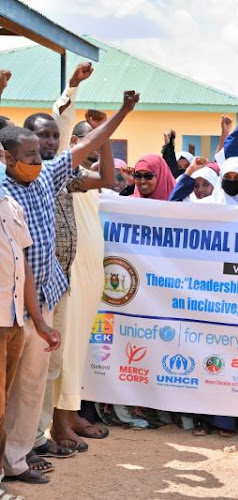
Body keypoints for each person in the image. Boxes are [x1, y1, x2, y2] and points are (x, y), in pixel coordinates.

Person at [0, 89, 139, 485]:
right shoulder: (2, 194)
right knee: (5, 392)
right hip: (12, 306)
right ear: (7, 158)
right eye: (29, 156)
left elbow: (90, 145)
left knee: (31, 388)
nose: (38, 160)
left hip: (45, 296)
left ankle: (18, 459)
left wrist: (122, 113)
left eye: (39, 154)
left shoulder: (45, 178)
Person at [0, 140, 60, 498]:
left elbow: (24, 266)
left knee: (3, 405)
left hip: (13, 324)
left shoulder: (11, 207)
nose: (37, 162)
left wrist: (39, 323)